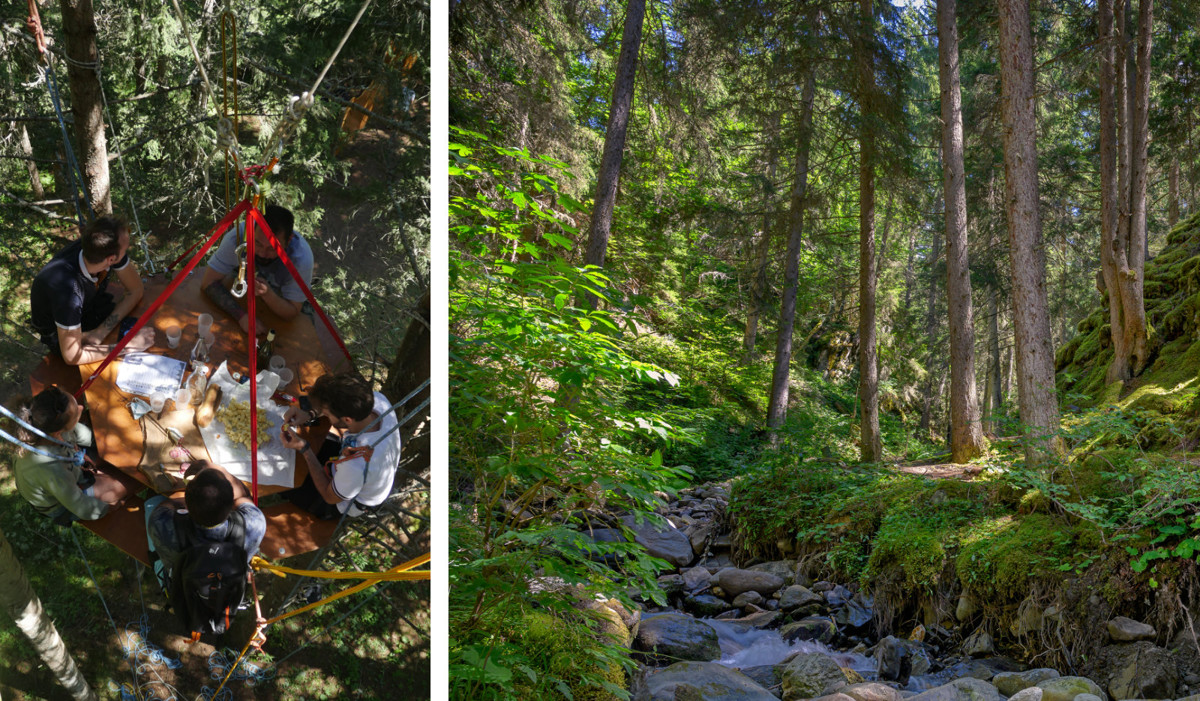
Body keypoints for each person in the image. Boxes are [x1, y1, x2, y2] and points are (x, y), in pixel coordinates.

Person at [29, 216, 154, 365]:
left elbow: (136, 290)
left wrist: (100, 332)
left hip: (90, 308)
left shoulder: (96, 249)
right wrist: (128, 346)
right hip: (60, 333)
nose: (127, 250)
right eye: (125, 249)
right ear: (111, 260)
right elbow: (72, 357)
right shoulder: (69, 294)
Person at [279, 372, 402, 519]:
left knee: (283, 483)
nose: (325, 414)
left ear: (347, 419)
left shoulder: (356, 463)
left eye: (327, 413)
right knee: (305, 452)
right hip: (348, 468)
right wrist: (310, 414)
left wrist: (305, 449)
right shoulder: (378, 401)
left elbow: (329, 496)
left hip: (339, 502)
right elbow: (335, 406)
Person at [10, 386, 128, 523]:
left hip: (67, 471)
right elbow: (82, 507)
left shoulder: (45, 425)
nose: (81, 408)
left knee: (120, 458)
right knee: (130, 481)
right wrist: (108, 509)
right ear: (58, 432)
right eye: (76, 412)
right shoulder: (49, 468)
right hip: (62, 503)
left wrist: (107, 444)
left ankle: (97, 477)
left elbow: (81, 433)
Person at [200, 205, 314, 336]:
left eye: (272, 249)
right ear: (251, 230)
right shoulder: (238, 237)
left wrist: (267, 294)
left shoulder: (300, 259)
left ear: (289, 240)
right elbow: (208, 282)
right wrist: (241, 316)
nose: (262, 253)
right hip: (242, 294)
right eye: (257, 243)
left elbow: (292, 312)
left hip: (279, 301)